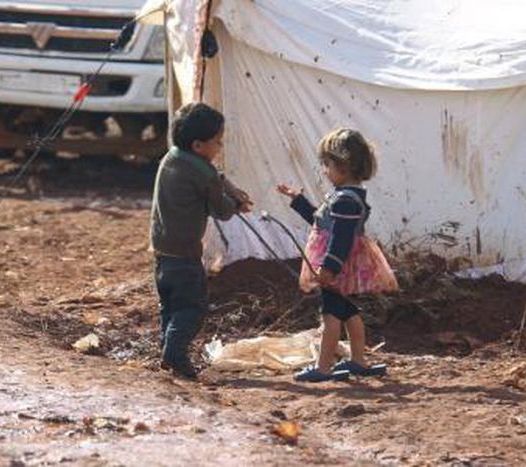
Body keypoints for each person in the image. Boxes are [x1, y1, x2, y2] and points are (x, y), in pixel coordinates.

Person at [277, 128, 398, 382]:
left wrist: (328, 268)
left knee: (331, 314)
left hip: (337, 264)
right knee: (348, 310)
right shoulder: (347, 197)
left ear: (344, 166)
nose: (324, 170)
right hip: (342, 264)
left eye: (327, 164)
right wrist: (298, 200)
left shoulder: (345, 201)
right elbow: (321, 222)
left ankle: (323, 368)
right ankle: (357, 360)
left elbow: (340, 239)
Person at [150, 102, 252, 379]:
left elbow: (208, 178)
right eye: (217, 143)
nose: (219, 148)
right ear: (198, 145)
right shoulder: (203, 173)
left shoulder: (171, 157)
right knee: (192, 308)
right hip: (185, 256)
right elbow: (220, 209)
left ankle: (166, 349)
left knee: (170, 307)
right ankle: (174, 353)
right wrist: (236, 203)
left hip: (161, 253)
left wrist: (225, 185)